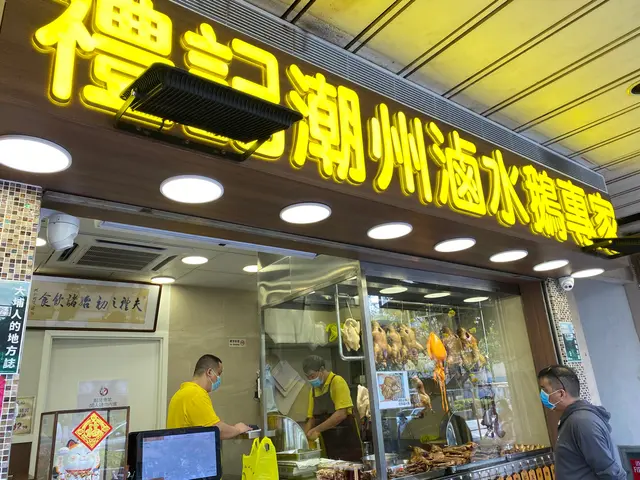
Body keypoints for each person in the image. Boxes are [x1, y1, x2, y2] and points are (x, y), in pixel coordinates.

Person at [537, 365, 626, 480]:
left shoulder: (582, 423)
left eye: (545, 390)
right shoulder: (572, 419)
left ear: (561, 394)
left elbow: (609, 472)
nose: (542, 395)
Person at [167, 354, 252, 439]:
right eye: (218, 374)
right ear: (209, 372)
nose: (219, 379)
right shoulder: (196, 394)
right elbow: (216, 430)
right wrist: (238, 429)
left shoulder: (181, 393)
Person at [302, 355, 363, 462]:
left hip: (347, 443)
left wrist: (316, 430)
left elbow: (341, 414)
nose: (310, 380)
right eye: (308, 377)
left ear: (321, 369)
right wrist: (304, 439)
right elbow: (311, 418)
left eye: (312, 376)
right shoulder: (313, 390)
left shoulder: (337, 381)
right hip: (329, 444)